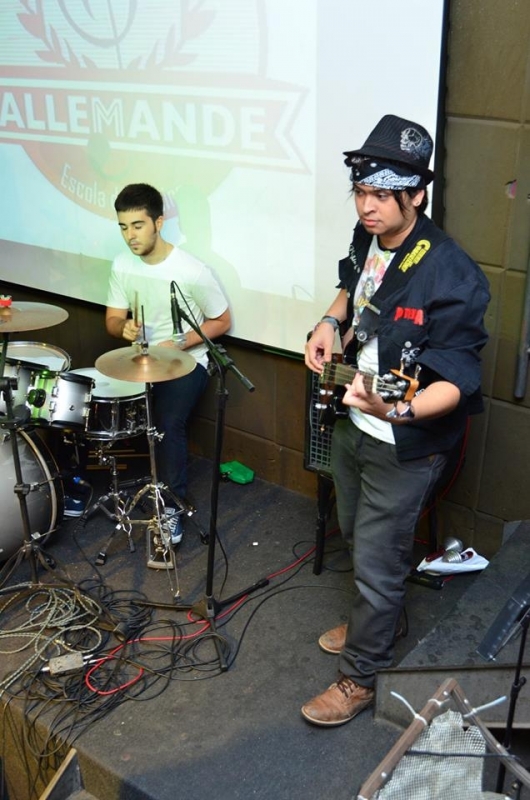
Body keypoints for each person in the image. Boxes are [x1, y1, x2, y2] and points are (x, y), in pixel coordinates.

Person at [303, 115, 490, 726]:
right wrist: (330, 326)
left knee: (380, 563)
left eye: (382, 195)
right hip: (358, 422)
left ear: (417, 195)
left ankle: (360, 677)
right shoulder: (366, 237)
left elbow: (458, 384)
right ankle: (378, 622)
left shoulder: (451, 272)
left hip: (407, 441)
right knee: (357, 536)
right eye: (360, 192)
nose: (367, 206)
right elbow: (351, 291)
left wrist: (400, 408)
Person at [105, 183, 231, 543]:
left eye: (138, 226)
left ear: (159, 222)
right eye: (123, 227)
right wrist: (123, 327)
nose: (130, 236)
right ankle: (121, 486)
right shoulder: (121, 264)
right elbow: (112, 320)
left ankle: (171, 506)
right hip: (142, 359)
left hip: (188, 362)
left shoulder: (192, 270)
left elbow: (221, 321)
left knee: (167, 422)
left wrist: (179, 342)